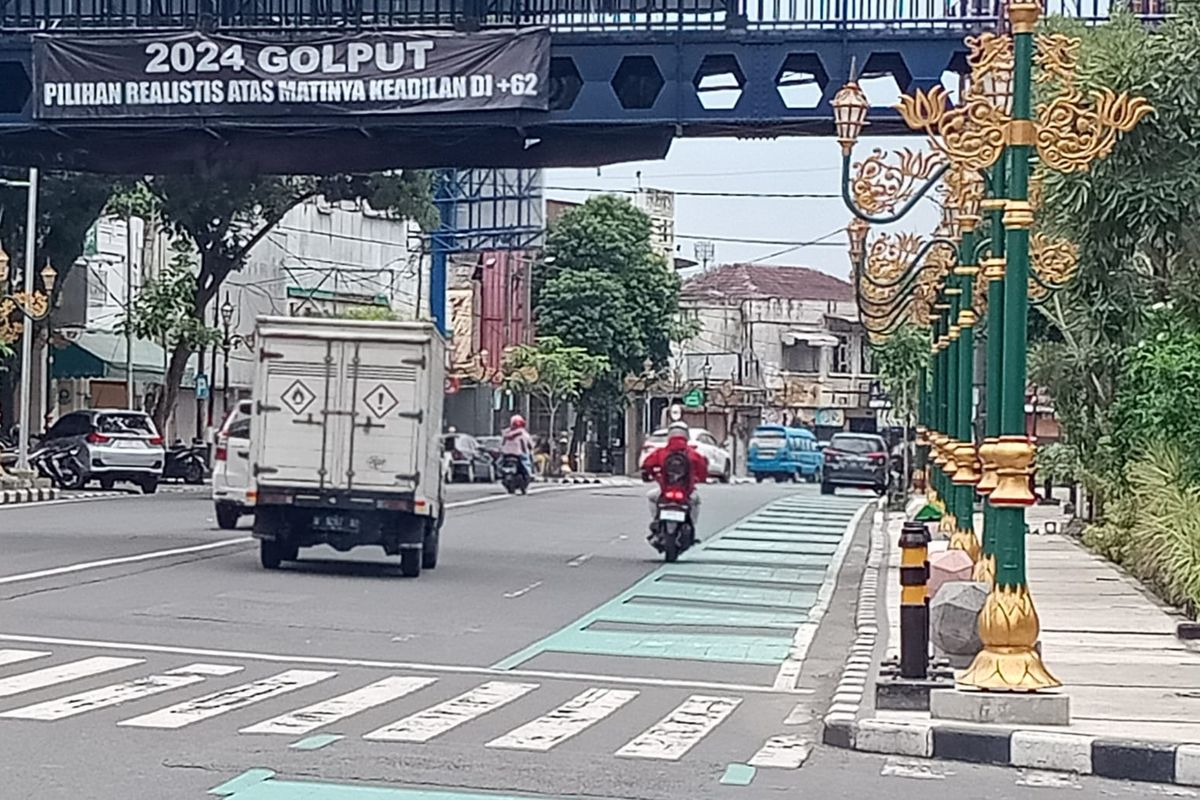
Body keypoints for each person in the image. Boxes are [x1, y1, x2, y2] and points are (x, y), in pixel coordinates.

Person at [641, 420, 708, 530]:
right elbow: (703, 470)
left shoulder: (661, 452)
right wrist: (699, 478)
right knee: (696, 501)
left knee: (651, 496)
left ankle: (655, 520)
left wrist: (651, 475)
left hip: (665, 491)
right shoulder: (693, 453)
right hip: (687, 492)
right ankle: (692, 525)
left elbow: (647, 464)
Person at [500, 414, 535, 479]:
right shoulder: (523, 433)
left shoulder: (506, 433)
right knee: (526, 461)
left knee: (499, 462)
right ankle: (529, 474)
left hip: (506, 454)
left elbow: (502, 444)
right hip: (518, 454)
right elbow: (530, 444)